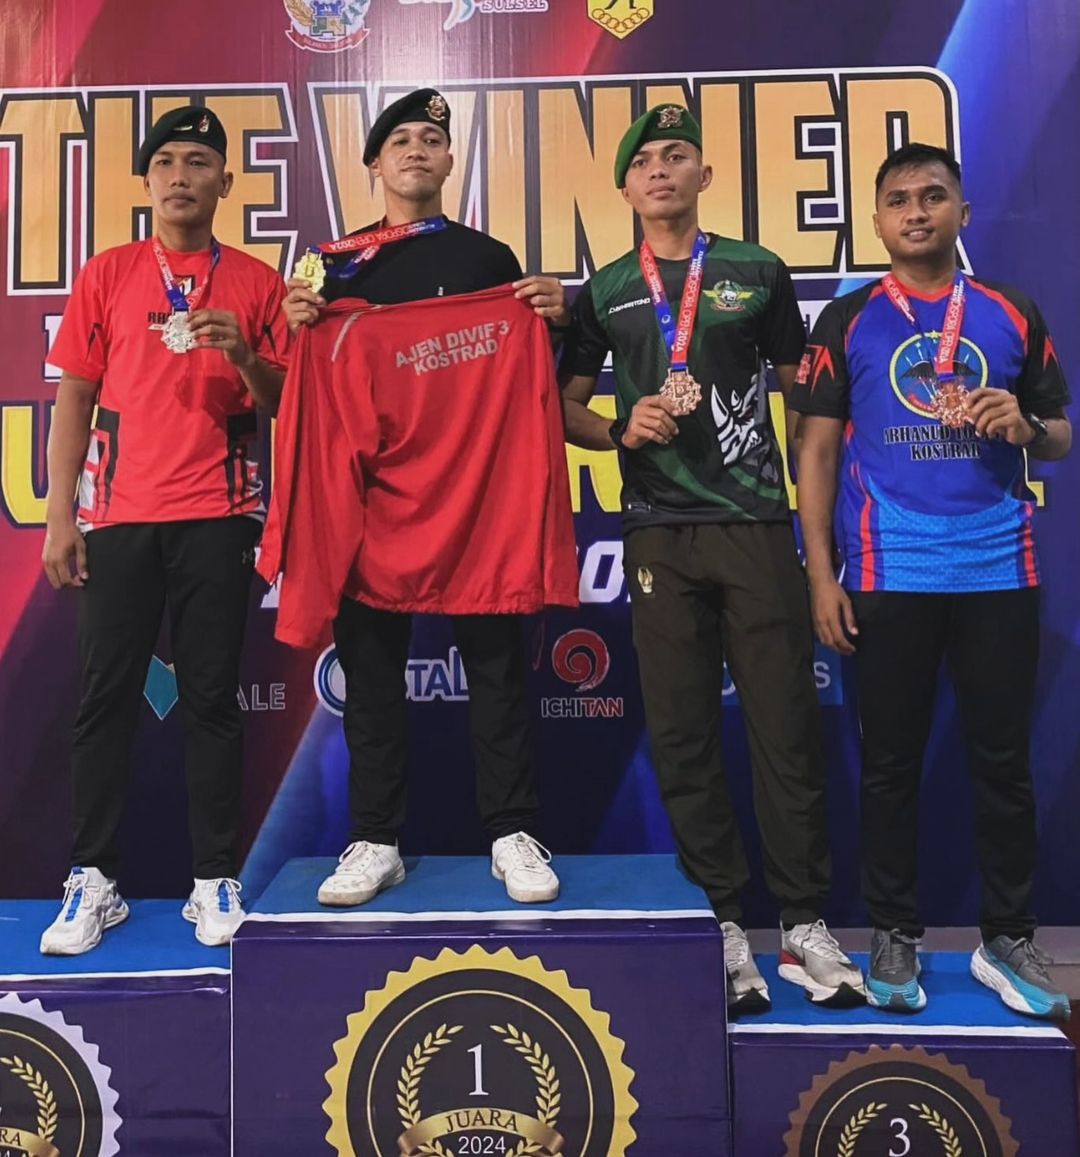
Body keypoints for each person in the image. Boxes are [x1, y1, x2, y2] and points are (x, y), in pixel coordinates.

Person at [559, 104, 863, 1013]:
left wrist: (819, 521)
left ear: (704, 175)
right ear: (624, 186)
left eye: (676, 155)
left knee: (785, 727)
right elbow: (562, 406)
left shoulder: (757, 272)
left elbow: (807, 403)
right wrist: (620, 427)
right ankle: (722, 923)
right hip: (657, 529)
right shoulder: (606, 289)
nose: (660, 170)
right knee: (684, 732)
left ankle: (803, 923)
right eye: (644, 160)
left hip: (756, 523)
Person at [793, 142, 1071, 1019]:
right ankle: (894, 934)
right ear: (877, 220)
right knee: (888, 766)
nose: (917, 211)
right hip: (889, 569)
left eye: (933, 195)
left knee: (1004, 764)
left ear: (963, 212)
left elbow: (1061, 433)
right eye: (900, 199)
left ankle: (1007, 937)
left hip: (998, 567)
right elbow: (817, 452)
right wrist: (820, 576)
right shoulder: (846, 320)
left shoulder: (1010, 310)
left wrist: (1027, 426)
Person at [281, 89, 574, 909]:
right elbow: (298, 387)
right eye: (400, 139)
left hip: (476, 496)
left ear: (449, 162)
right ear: (375, 164)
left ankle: (512, 831)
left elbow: (528, 380)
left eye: (432, 139)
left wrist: (550, 316)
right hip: (371, 498)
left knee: (497, 668)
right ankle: (376, 839)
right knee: (371, 674)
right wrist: (295, 323)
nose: (417, 149)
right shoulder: (330, 265)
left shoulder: (490, 260)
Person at [39, 105, 289, 954]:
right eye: (168, 162)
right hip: (119, 519)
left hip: (219, 518)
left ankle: (214, 876)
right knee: (104, 699)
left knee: (213, 700)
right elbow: (74, 397)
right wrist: (60, 515)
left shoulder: (254, 283)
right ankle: (94, 879)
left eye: (199, 162)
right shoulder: (107, 274)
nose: (182, 176)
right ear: (147, 181)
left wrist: (244, 354)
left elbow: (284, 404)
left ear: (226, 181)